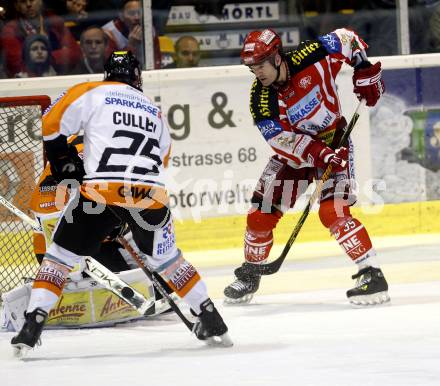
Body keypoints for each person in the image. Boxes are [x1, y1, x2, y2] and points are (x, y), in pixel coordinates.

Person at [11, 50, 231, 357]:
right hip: (150, 193)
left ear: (106, 74)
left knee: (59, 257)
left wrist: (63, 158)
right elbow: (163, 157)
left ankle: (33, 323)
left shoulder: (91, 91)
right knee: (169, 261)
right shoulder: (154, 112)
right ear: (137, 77)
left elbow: (50, 121)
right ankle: (210, 315)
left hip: (102, 190)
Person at [223, 28, 390, 306]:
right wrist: (318, 154)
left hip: (336, 143)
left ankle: (371, 273)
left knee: (332, 212)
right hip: (297, 158)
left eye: (262, 64)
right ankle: (251, 274)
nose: (258, 73)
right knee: (259, 216)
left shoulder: (312, 54)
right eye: (252, 68)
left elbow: (347, 38)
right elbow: (280, 140)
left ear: (277, 57)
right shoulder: (261, 99)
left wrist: (363, 69)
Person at [1, 0, 81, 77]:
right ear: (17, 6)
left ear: (41, 1)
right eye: (23, 1)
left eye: (32, 0)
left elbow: (75, 53)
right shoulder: (10, 29)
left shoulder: (55, 22)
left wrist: (43, 57)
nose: (28, 4)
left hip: (59, 78)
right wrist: (60, 54)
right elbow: (16, 64)